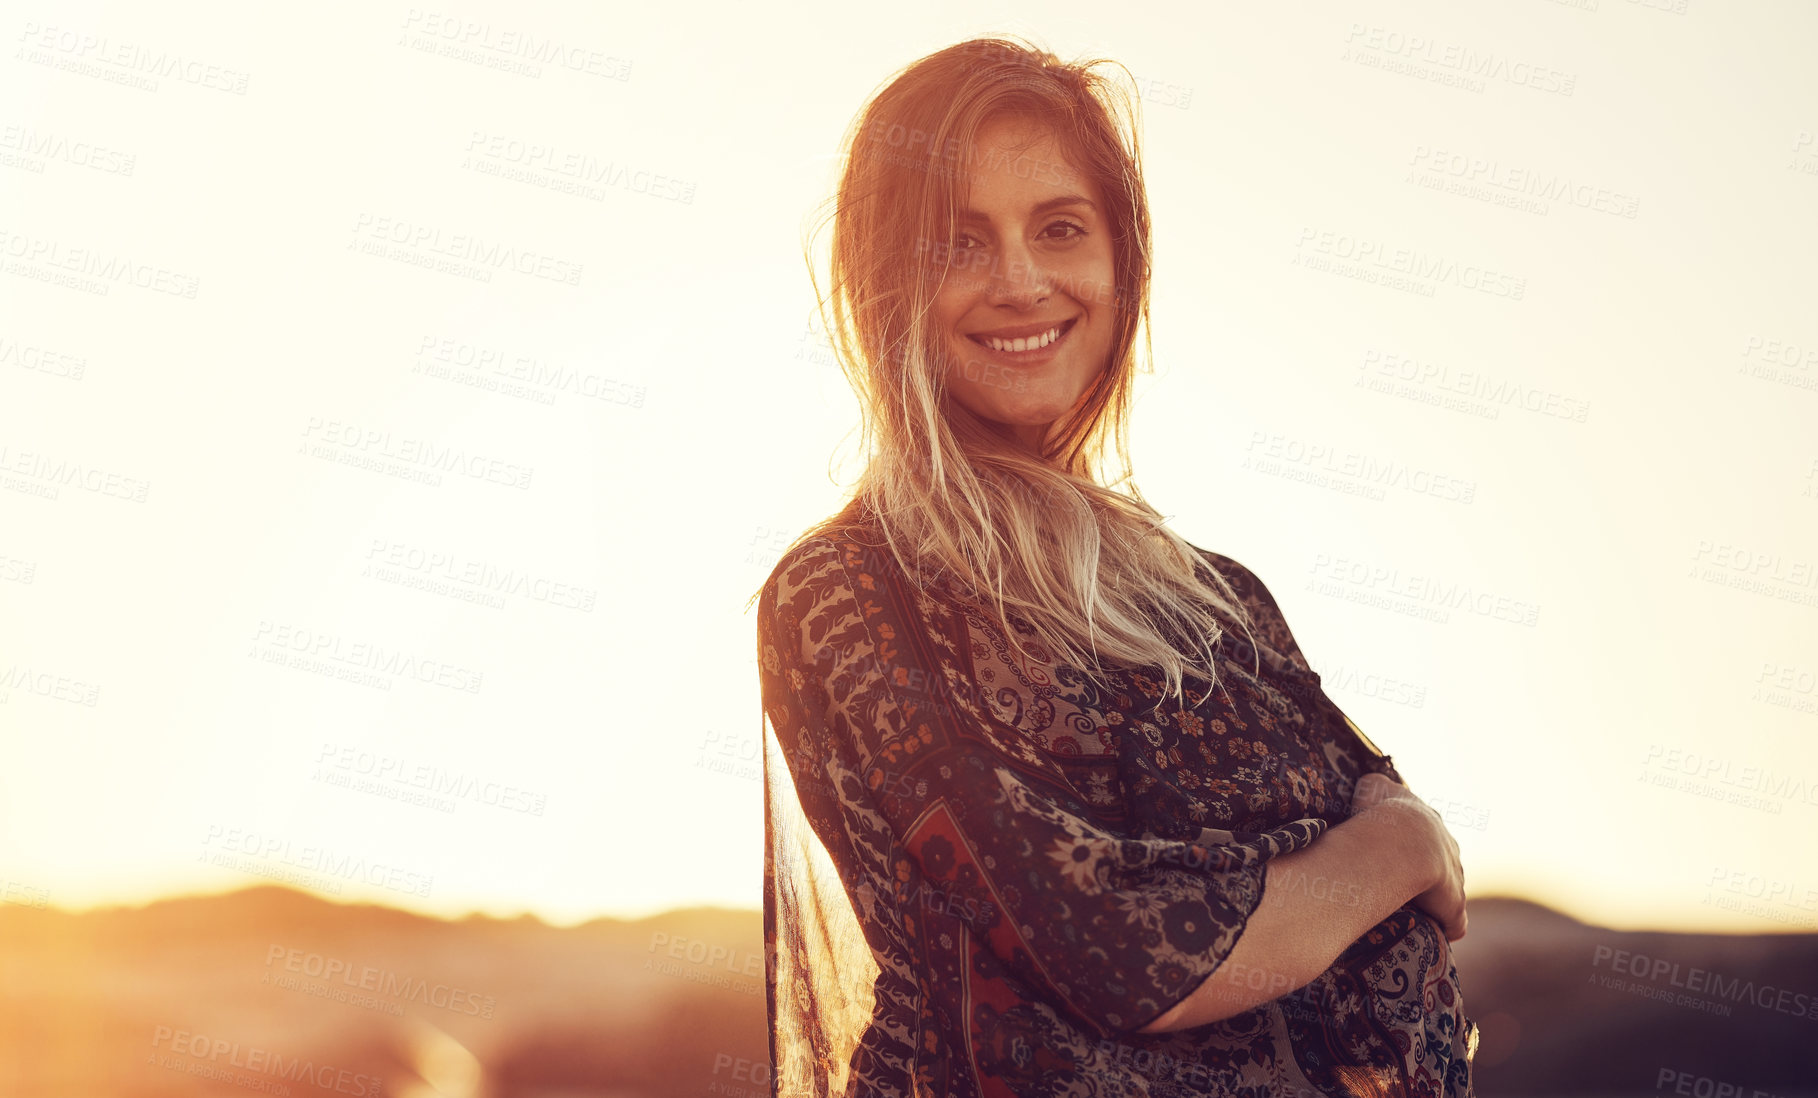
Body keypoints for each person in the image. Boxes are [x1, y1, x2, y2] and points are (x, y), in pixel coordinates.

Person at [753, 35, 1477, 1097]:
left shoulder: (1219, 599)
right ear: (885, 282)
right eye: (960, 242)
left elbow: (1423, 907)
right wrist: (1398, 850)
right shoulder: (851, 591)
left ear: (1121, 260)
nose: (1020, 281)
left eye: (1060, 229)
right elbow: (1112, 945)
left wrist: (1379, 873)